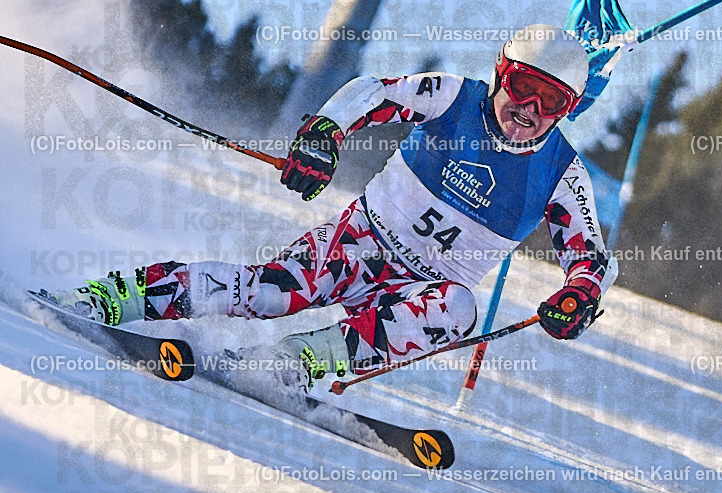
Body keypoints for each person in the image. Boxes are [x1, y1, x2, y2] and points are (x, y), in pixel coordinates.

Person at [48, 24, 615, 392]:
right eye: (523, 88)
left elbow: (592, 255)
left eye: (552, 102)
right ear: (501, 73)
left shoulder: (561, 174)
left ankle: (294, 362)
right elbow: (373, 90)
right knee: (269, 291)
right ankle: (118, 295)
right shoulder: (454, 97)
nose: (530, 110)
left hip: (422, 292)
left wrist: (580, 293)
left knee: (459, 308)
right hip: (362, 244)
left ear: (568, 109)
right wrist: (325, 134)